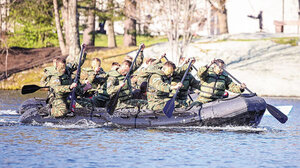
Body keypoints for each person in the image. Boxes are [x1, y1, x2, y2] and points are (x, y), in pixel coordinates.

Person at [106, 44, 146, 109]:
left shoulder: (127, 72)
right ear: (122, 66)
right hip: (119, 103)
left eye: (127, 71)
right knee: (144, 104)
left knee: (140, 94)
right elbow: (109, 91)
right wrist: (119, 86)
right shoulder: (113, 77)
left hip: (129, 98)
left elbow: (137, 63)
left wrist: (140, 51)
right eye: (125, 71)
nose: (127, 73)